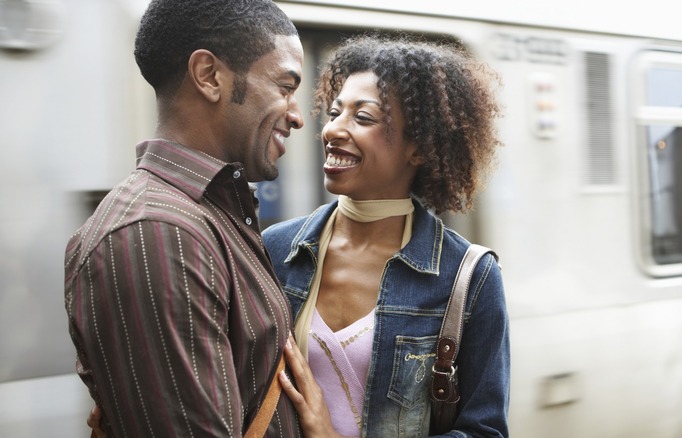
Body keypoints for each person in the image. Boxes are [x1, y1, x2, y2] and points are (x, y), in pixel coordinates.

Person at [64, 0, 306, 436]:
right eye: (285, 87)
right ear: (209, 76)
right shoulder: (157, 233)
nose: (297, 115)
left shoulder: (205, 216)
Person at [264, 34, 510, 437]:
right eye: (334, 112)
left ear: (419, 148)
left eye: (363, 118)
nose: (333, 130)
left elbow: (485, 431)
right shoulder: (276, 249)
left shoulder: (469, 277)